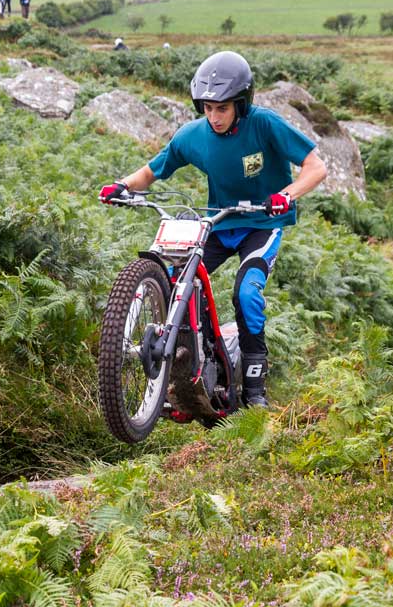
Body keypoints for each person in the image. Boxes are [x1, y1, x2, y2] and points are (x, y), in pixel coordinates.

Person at [99, 51, 327, 408]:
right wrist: (122, 186)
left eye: (222, 108)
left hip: (262, 223)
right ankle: (194, 364)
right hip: (219, 222)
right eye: (207, 108)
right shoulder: (193, 136)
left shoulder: (265, 124)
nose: (214, 117)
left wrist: (285, 196)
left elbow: (316, 167)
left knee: (247, 294)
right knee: (177, 281)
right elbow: (150, 172)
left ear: (241, 104)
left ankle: (255, 391)